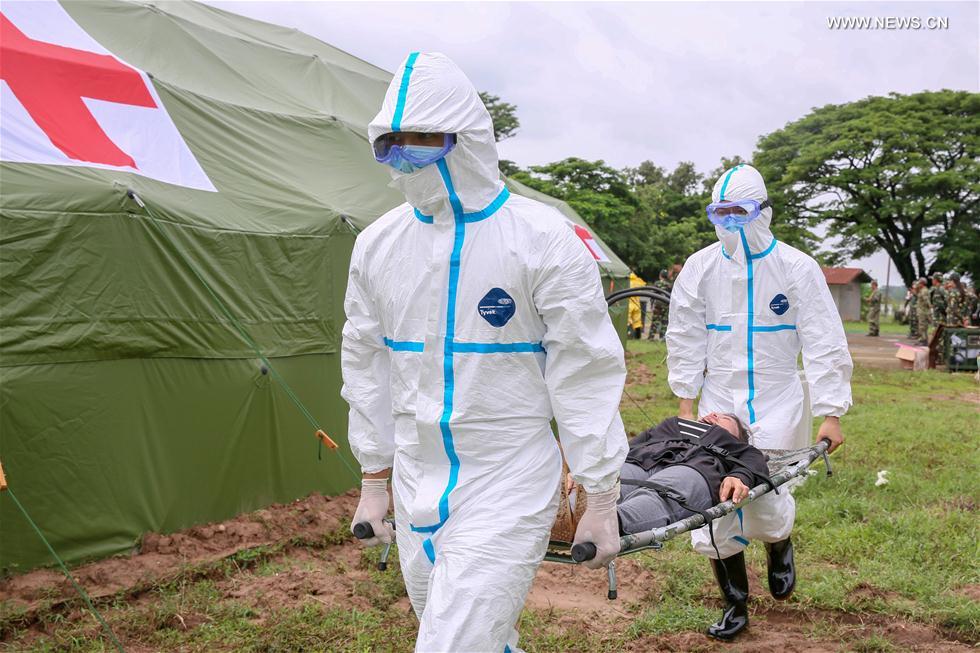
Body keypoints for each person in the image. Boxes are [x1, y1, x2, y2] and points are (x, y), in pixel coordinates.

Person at [342, 52, 628, 653]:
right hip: (416, 477)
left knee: (453, 644)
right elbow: (365, 365)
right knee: (463, 631)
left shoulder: (542, 239)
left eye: (422, 140)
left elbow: (586, 371)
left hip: (507, 475)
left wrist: (601, 495)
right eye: (390, 144)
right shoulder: (376, 245)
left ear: (466, 139)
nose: (404, 157)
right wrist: (374, 477)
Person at [666, 163, 852, 641]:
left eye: (740, 212)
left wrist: (831, 412)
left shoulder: (796, 267)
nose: (730, 223)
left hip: (777, 397)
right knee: (713, 498)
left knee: (765, 491)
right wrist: (686, 402)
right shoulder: (700, 267)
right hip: (719, 399)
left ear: (763, 211)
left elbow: (824, 340)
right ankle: (735, 602)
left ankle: (778, 543)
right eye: (721, 213)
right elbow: (684, 336)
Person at [649, 269, 672, 340]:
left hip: (658, 304)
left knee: (655, 321)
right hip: (666, 304)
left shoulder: (657, 283)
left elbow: (652, 295)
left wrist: (651, 305)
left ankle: (651, 337)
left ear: (660, 275)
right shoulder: (669, 285)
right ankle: (662, 337)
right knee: (665, 322)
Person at [915, 277, 932, 345]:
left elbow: (926, 301)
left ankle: (924, 340)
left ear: (922, 283)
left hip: (923, 311)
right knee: (921, 326)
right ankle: (922, 339)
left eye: (919, 283)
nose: (918, 284)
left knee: (923, 326)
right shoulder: (921, 290)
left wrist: (929, 308)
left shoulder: (924, 291)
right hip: (921, 310)